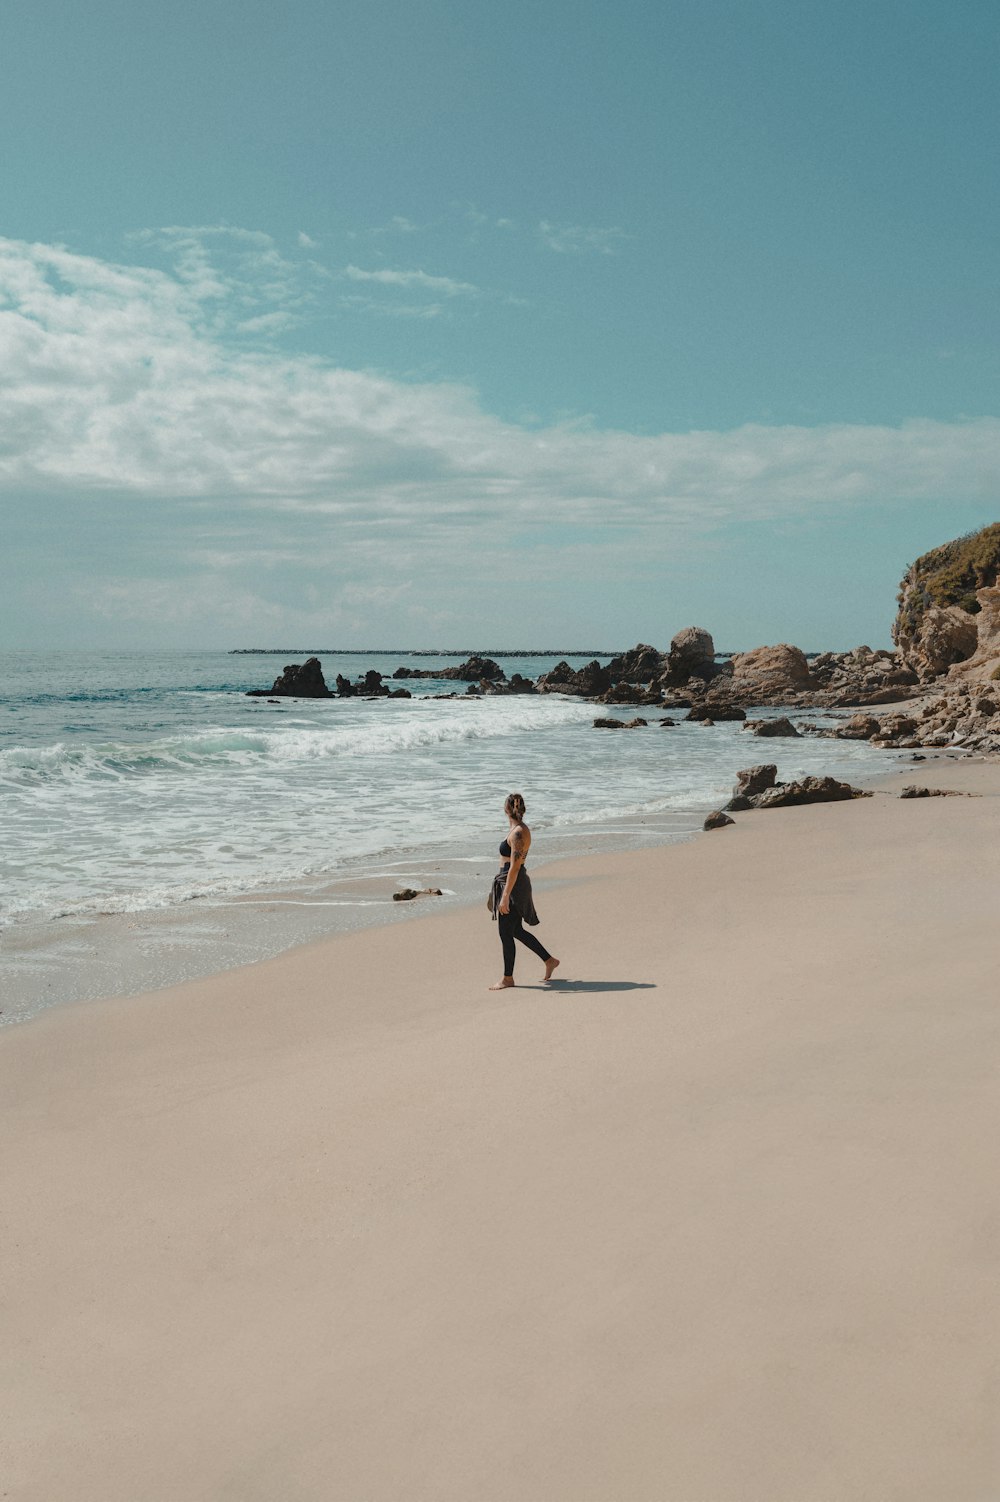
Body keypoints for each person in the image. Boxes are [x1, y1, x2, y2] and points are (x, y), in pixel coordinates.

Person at [489, 792, 560, 991]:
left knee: (505, 932)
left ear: (505, 809)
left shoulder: (518, 833)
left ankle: (508, 978)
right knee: (516, 930)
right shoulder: (517, 830)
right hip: (510, 882)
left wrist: (504, 897)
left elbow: (514, 867)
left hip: (513, 885)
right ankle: (549, 960)